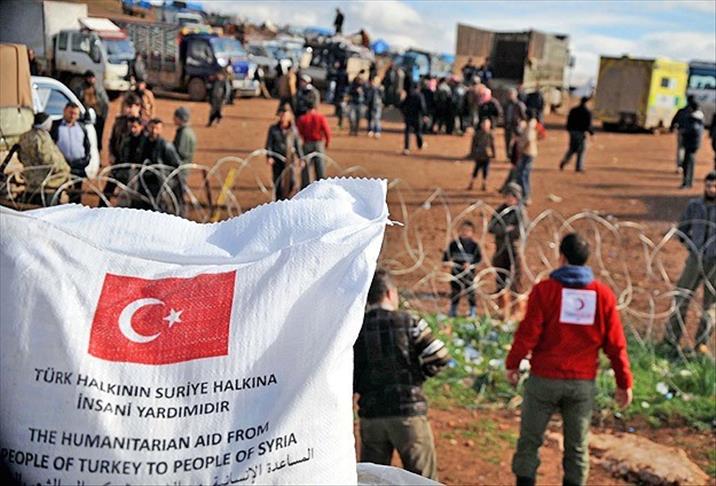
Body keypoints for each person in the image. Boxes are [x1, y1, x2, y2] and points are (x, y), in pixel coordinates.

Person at [506, 232, 633, 486]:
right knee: (577, 447)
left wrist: (513, 363)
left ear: (561, 258)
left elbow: (528, 333)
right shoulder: (602, 295)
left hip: (544, 380)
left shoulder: (545, 290)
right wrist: (624, 382)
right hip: (581, 384)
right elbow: (615, 345)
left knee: (530, 441)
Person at [353, 268, 450, 480]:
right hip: (408, 413)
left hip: (371, 416)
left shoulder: (355, 329)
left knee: (374, 480)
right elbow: (439, 355)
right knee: (422, 480)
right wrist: (417, 377)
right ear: (390, 293)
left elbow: (347, 374)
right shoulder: (409, 321)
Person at [663, 171, 716, 353]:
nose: (711, 190)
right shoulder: (694, 206)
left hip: (714, 263)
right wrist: (691, 245)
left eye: (714, 186)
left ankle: (701, 344)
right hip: (695, 259)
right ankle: (671, 340)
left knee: (710, 305)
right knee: (681, 297)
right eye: (708, 186)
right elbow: (682, 230)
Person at [488, 183, 527, 321]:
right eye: (507, 196)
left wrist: (506, 230)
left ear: (517, 198)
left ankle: (517, 310)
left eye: (512, 196)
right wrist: (505, 229)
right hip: (501, 250)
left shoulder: (520, 212)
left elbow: (520, 231)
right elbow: (491, 227)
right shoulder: (500, 210)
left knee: (517, 281)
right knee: (500, 279)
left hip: (515, 250)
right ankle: (502, 309)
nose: (509, 199)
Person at [16, 112, 71, 201]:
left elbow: (20, 156)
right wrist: (64, 168)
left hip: (30, 180)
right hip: (46, 183)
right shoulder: (42, 138)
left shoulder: (24, 136)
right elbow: (49, 159)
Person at [132, 118, 183, 213]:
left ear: (161, 130)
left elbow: (176, 164)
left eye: (157, 128)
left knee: (158, 209)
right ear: (148, 127)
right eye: (152, 128)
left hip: (159, 183)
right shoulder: (143, 143)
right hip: (144, 181)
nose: (154, 131)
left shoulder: (166, 146)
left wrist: (170, 182)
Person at [103, 94, 143, 205]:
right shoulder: (119, 122)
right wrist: (111, 154)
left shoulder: (143, 124)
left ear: (138, 107)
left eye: (131, 106)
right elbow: (113, 140)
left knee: (128, 194)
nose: (128, 110)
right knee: (107, 192)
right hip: (118, 161)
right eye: (127, 106)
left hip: (132, 165)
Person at [50, 102, 90, 203]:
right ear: (64, 111)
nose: (72, 116)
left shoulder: (82, 127)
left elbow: (87, 146)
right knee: (59, 194)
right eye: (70, 113)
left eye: (75, 114)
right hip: (62, 167)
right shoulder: (55, 126)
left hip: (78, 167)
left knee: (76, 196)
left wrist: (85, 160)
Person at [443, 221, 482, 317]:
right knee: (455, 291)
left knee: (470, 291)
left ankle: (472, 312)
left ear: (472, 233)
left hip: (469, 273)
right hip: (456, 271)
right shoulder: (454, 244)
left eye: (468, 231)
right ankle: (453, 311)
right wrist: (447, 262)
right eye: (463, 230)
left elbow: (478, 259)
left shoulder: (474, 246)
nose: (465, 232)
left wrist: (470, 264)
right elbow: (446, 256)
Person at [265, 107, 303, 200]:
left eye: (285, 116)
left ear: (289, 117)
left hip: (289, 159)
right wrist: (269, 157)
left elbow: (297, 145)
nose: (283, 118)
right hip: (277, 158)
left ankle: (289, 199)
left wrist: (301, 158)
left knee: (292, 181)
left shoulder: (293, 130)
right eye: (281, 115)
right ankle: (278, 201)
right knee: (277, 181)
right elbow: (269, 144)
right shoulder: (273, 129)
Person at [296, 99, 331, 189]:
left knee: (306, 168)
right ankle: (322, 187)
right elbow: (327, 131)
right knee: (320, 167)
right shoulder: (320, 118)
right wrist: (327, 142)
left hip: (307, 144)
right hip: (318, 144)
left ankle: (305, 187)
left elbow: (298, 134)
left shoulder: (302, 119)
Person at [75, 70, 109, 152]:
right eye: (89, 78)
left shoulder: (98, 88)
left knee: (99, 133)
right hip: (86, 115)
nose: (91, 80)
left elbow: (105, 102)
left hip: (98, 114)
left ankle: (98, 149)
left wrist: (104, 115)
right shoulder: (80, 89)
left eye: (92, 78)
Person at [560, 97, 594, 173]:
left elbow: (569, 121)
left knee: (572, 148)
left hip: (572, 132)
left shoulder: (574, 110)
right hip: (581, 133)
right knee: (581, 150)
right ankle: (579, 167)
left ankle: (564, 161)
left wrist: (569, 130)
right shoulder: (587, 112)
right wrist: (591, 133)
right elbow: (588, 125)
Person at [515, 110, 538, 204]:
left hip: (527, 153)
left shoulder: (530, 127)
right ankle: (525, 195)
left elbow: (528, 139)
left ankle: (526, 196)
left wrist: (521, 148)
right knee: (524, 174)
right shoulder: (530, 125)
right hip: (529, 152)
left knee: (523, 175)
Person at [467, 117, 496, 191]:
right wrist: (473, 153)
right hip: (479, 155)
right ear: (481, 125)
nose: (485, 126)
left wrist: (494, 154)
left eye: (487, 125)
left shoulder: (490, 134)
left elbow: (492, 145)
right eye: (484, 125)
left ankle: (484, 184)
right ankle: (471, 183)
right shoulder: (477, 134)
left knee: (485, 170)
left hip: (487, 155)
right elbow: (473, 144)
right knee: (476, 170)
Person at [670, 96, 696, 173]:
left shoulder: (682, 110)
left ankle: (680, 166)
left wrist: (672, 128)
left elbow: (674, 120)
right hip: (690, 133)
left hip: (681, 131)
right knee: (688, 150)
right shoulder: (695, 112)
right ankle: (686, 166)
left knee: (680, 149)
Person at [680, 108, 705, 189]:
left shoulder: (693, 120)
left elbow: (693, 130)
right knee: (690, 163)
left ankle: (687, 182)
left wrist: (684, 132)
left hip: (690, 145)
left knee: (688, 164)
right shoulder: (699, 119)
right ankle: (689, 182)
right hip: (694, 145)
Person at [400, 85, 427, 155]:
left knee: (407, 133)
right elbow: (422, 106)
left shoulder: (409, 95)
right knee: (418, 132)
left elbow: (402, 105)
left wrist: (404, 113)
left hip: (408, 116)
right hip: (417, 117)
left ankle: (406, 148)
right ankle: (420, 145)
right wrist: (424, 115)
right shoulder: (420, 95)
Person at [503, 88, 527, 161]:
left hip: (516, 126)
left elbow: (524, 116)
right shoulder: (506, 104)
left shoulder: (519, 105)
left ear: (515, 95)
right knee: (508, 141)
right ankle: (508, 156)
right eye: (509, 94)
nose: (510, 96)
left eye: (511, 94)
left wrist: (521, 123)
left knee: (518, 141)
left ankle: (518, 155)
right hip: (508, 125)